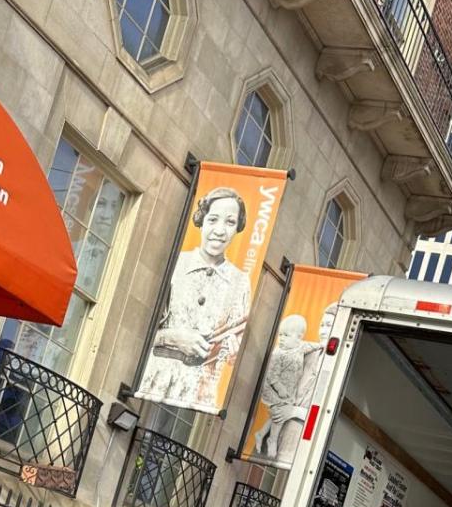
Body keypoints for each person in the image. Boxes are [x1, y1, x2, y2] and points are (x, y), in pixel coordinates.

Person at [139, 187, 252, 411]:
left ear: (237, 228)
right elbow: (137, 328)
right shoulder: (177, 263)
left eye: (230, 222)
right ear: (202, 220)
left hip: (198, 393)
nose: (220, 230)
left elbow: (234, 355)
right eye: (213, 220)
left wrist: (227, 349)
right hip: (154, 377)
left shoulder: (241, 282)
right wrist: (173, 338)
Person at [252, 311, 328, 464]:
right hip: (273, 436)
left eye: (330, 325)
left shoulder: (333, 371)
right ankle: (265, 436)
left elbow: (322, 417)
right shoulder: (308, 354)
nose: (324, 330)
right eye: (322, 325)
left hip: (294, 446)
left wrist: (294, 411)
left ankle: (266, 436)